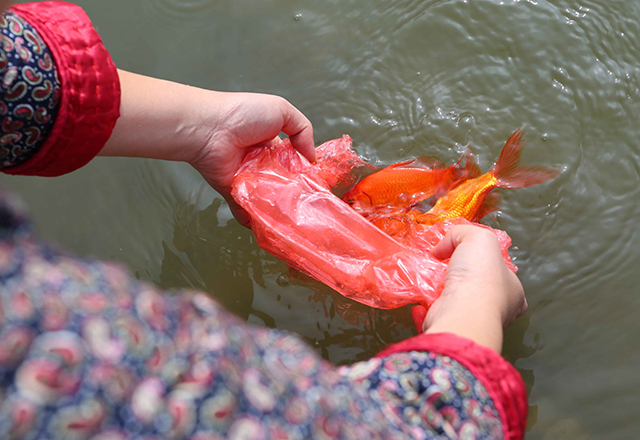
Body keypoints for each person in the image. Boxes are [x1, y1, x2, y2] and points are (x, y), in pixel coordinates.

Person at [0, 1, 529, 439]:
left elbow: (13, 75)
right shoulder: (50, 349)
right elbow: (392, 428)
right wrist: (473, 316)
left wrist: (203, 129)